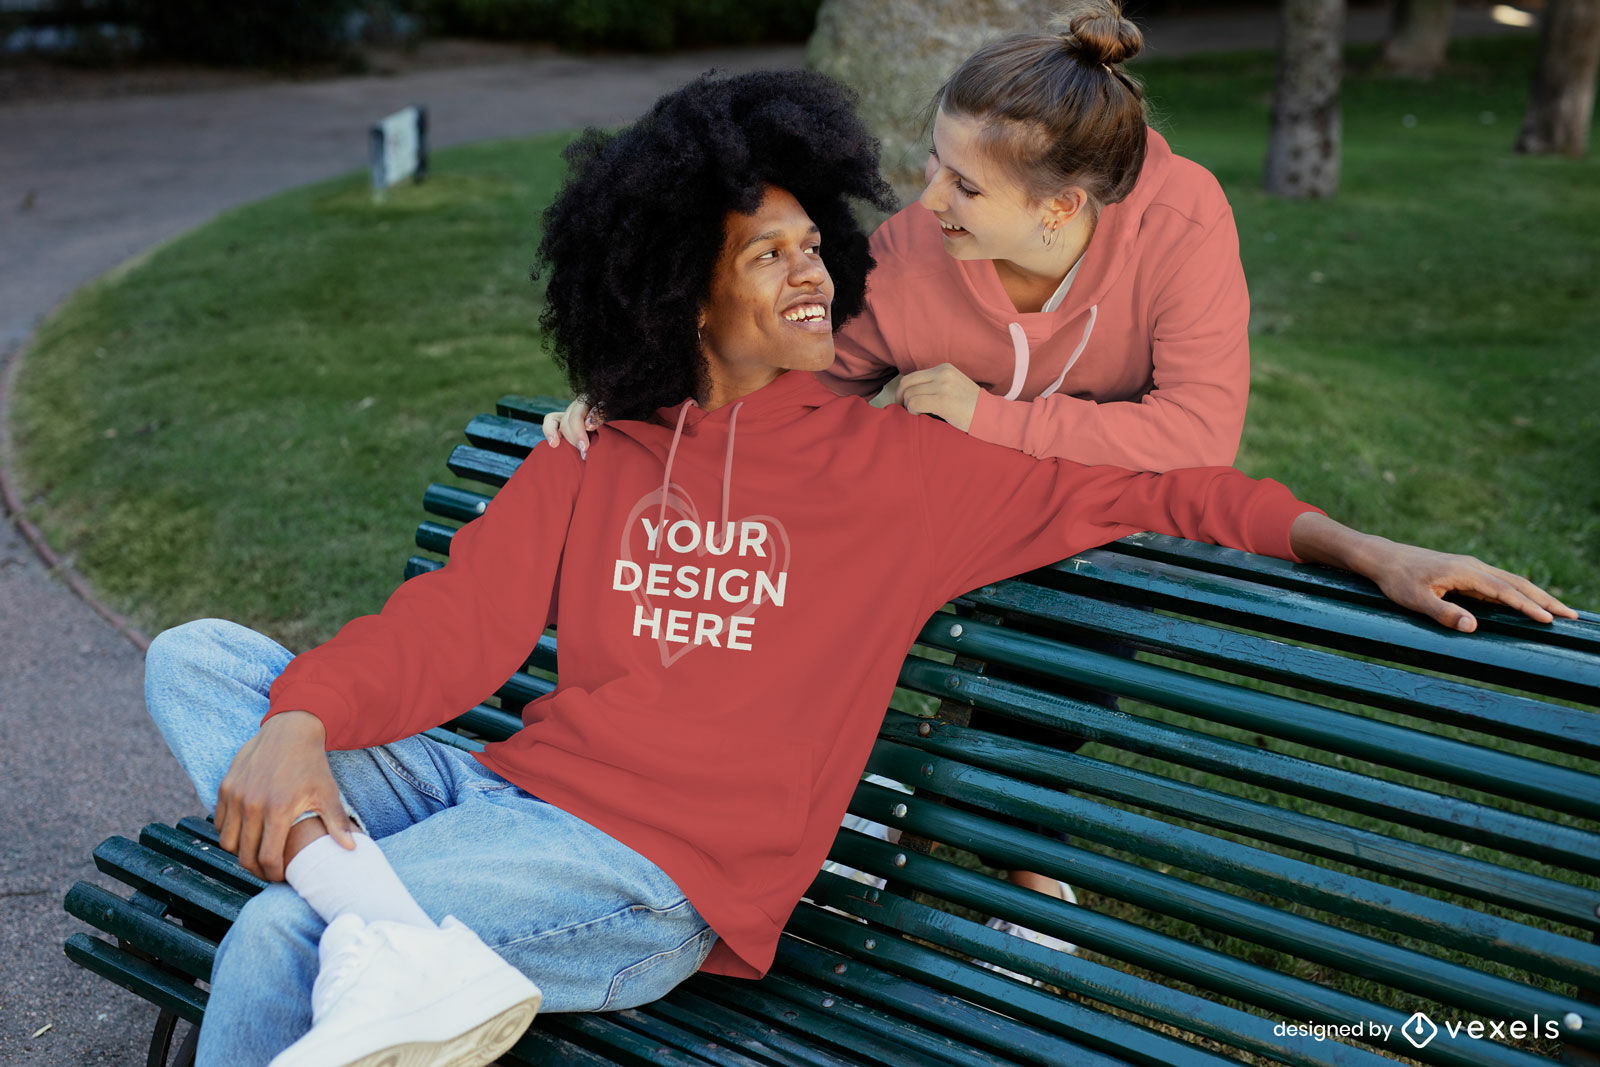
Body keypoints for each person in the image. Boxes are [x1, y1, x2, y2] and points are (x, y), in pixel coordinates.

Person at [143, 70, 1573, 1067]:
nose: (816, 271)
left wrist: (1375, 547)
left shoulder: (905, 465)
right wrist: (303, 717)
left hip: (655, 872)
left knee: (280, 934)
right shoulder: (605, 445)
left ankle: (370, 929)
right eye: (767, 257)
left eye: (813, 243)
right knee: (197, 658)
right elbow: (457, 625)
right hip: (518, 788)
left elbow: (1182, 484)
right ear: (676, 289)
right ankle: (399, 938)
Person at [544, 0, 1255, 952]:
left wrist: (989, 416)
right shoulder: (916, 252)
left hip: (1097, 512)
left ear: (1058, 206)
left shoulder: (1180, 217)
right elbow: (804, 383)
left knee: (1079, 600)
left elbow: (1201, 434)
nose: (928, 199)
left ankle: (1016, 855)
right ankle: (821, 814)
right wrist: (644, 414)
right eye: (933, 161)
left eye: (964, 184)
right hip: (946, 500)